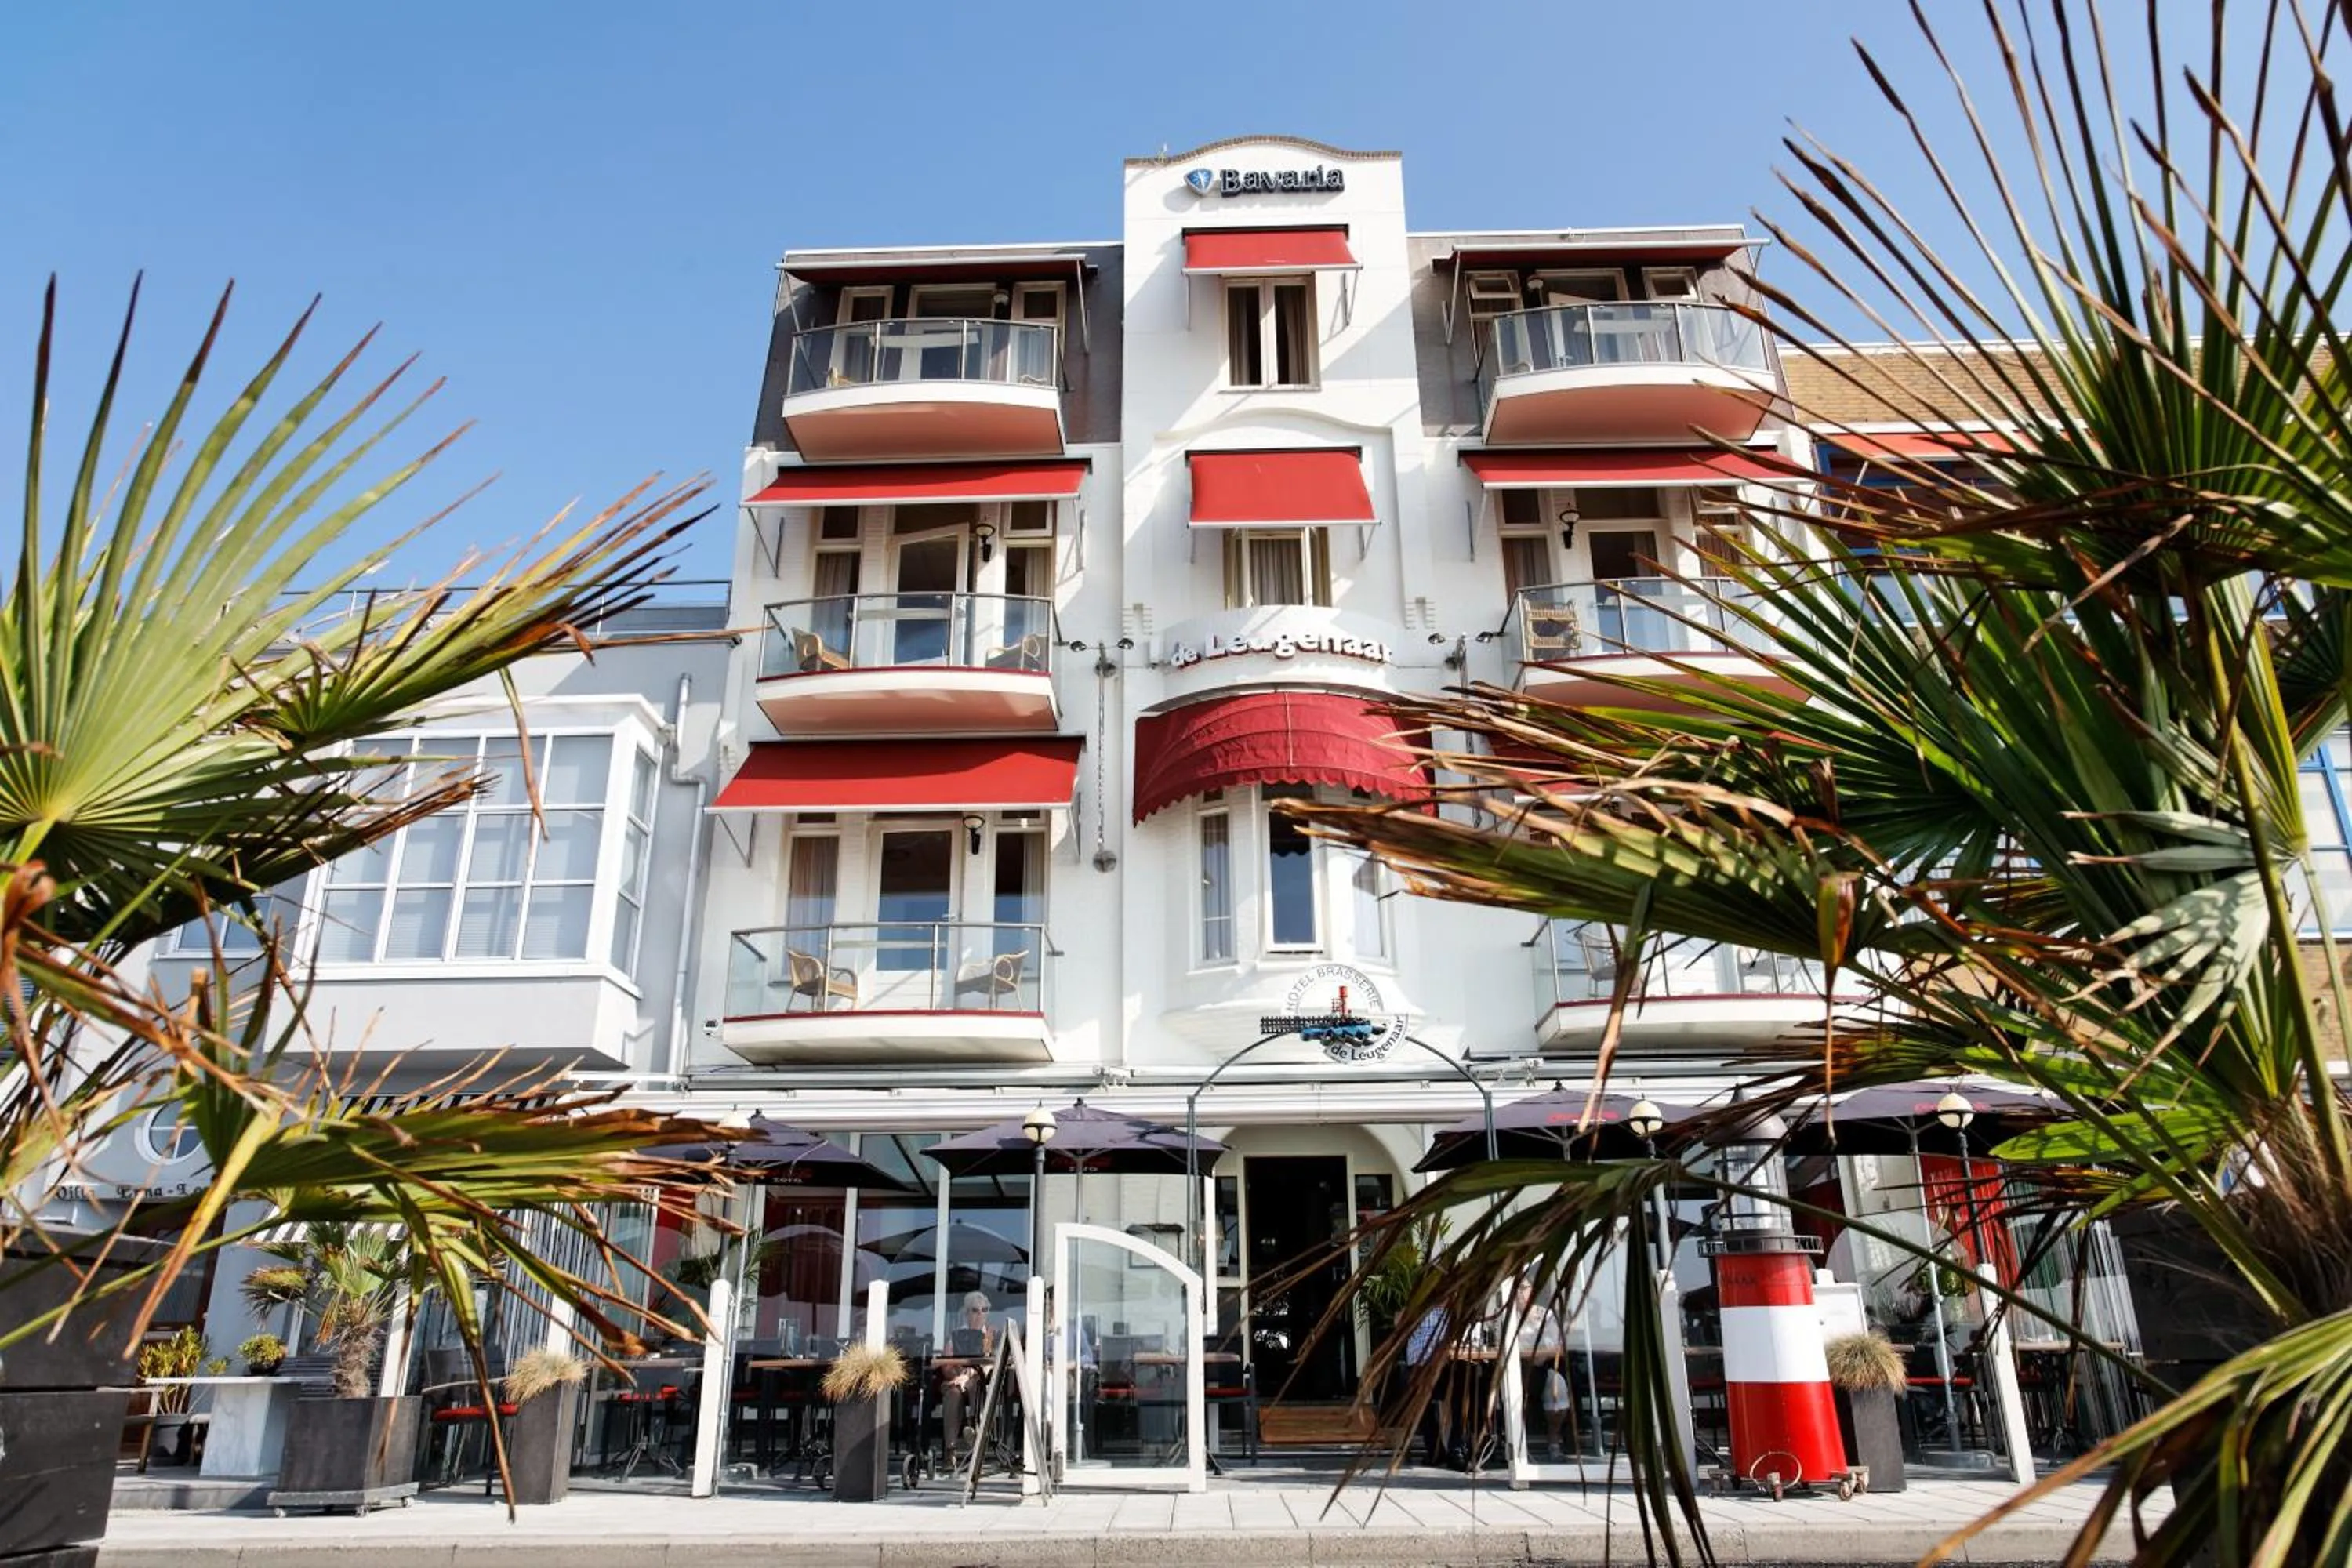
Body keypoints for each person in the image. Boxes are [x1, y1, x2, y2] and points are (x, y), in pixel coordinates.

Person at [1512, 1277, 1569, 1461]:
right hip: (1514, 1370)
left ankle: (1554, 1441)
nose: (1520, 1293)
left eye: (1523, 1288)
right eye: (1516, 1289)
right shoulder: (1507, 1317)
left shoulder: (1546, 1315)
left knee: (1557, 1387)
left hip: (1540, 1368)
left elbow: (1554, 1345)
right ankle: (1515, 1446)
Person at [941, 1290, 996, 1461]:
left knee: (976, 1387)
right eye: (975, 1310)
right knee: (953, 1393)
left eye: (984, 1310)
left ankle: (976, 1437)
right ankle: (950, 1450)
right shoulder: (957, 1335)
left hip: (979, 1379)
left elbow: (987, 1360)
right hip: (958, 1379)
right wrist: (957, 1375)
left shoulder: (989, 1334)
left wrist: (968, 1374)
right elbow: (947, 1365)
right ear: (966, 1313)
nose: (980, 1314)